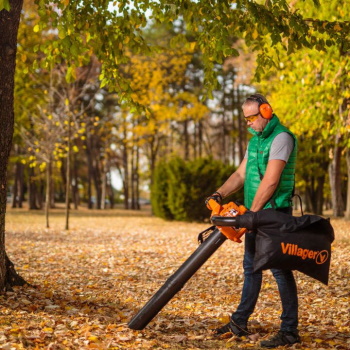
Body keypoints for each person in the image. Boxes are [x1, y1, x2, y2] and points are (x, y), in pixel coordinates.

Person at [205, 93, 300, 348]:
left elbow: (271, 181)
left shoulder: (281, 138)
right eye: (245, 118)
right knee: (252, 268)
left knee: (280, 271)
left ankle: (290, 331)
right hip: (255, 214)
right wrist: (219, 194)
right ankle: (239, 322)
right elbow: (240, 173)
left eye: (251, 117)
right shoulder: (256, 142)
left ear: (266, 112)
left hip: (275, 214)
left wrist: (249, 216)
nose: (247, 122)